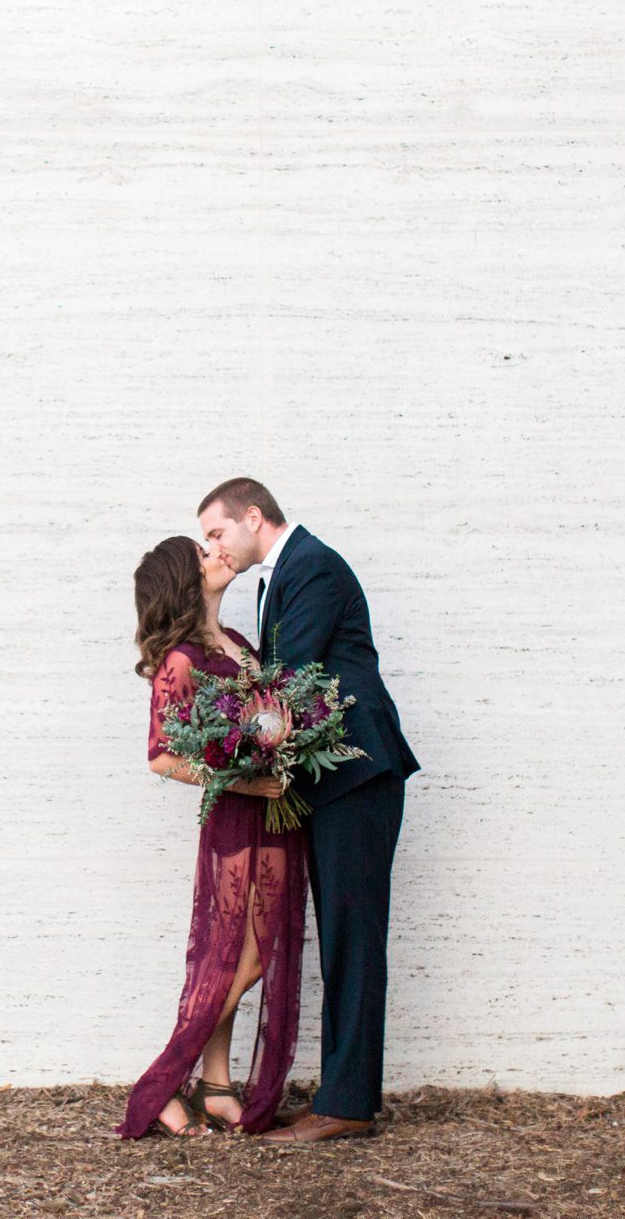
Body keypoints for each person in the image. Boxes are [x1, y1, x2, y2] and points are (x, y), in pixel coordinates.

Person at [196, 476, 421, 1143]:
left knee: (353, 938)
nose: (211, 545)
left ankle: (347, 1107)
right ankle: (341, 1094)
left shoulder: (313, 566)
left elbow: (286, 685)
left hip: (357, 775)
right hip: (334, 785)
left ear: (253, 516)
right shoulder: (285, 572)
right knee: (342, 938)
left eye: (215, 532)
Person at [116, 536, 307, 1139]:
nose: (216, 555)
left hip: (275, 813)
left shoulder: (240, 646)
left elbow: (269, 718)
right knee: (241, 957)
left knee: (244, 953)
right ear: (183, 580)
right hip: (236, 815)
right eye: (201, 554)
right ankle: (163, 1083)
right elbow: (162, 757)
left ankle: (216, 1084)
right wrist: (245, 783)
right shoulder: (181, 660)